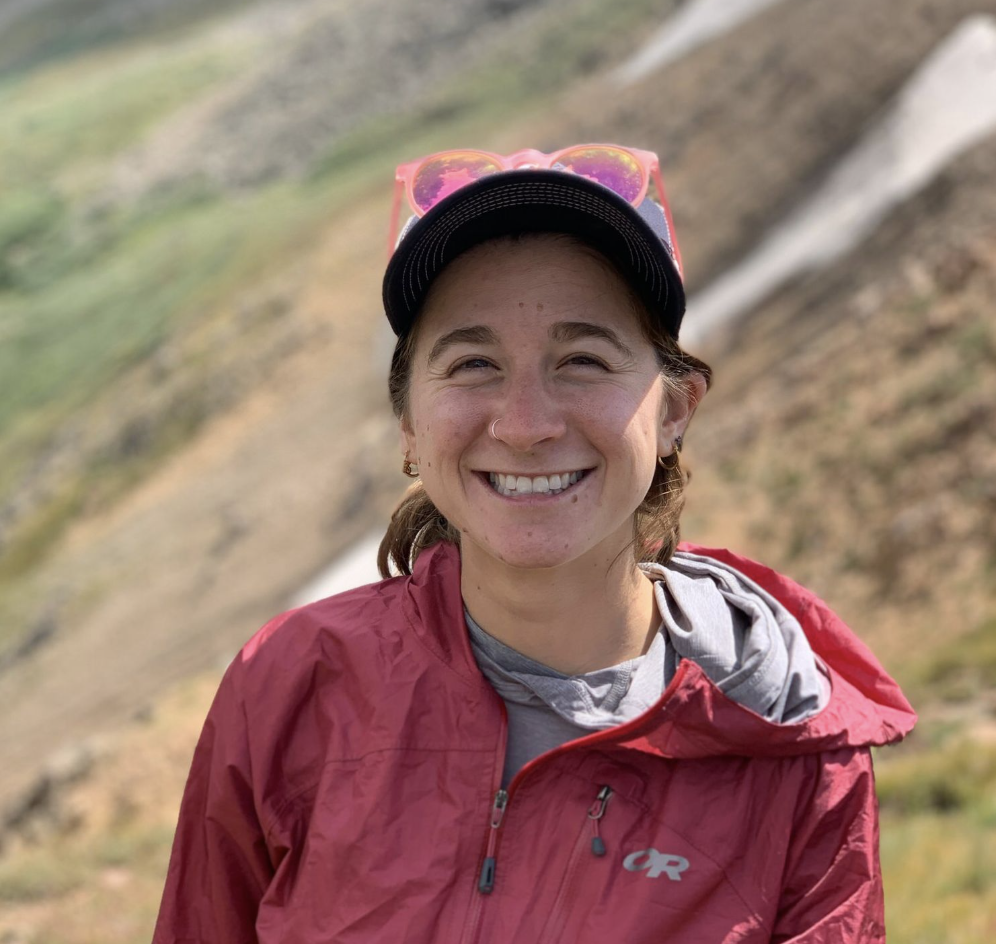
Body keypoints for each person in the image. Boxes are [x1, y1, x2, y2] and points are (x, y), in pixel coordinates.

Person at [153, 145, 916, 943]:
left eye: (582, 360)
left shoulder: (792, 742)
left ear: (676, 410)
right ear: (409, 424)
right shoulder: (290, 685)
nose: (525, 424)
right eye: (473, 363)